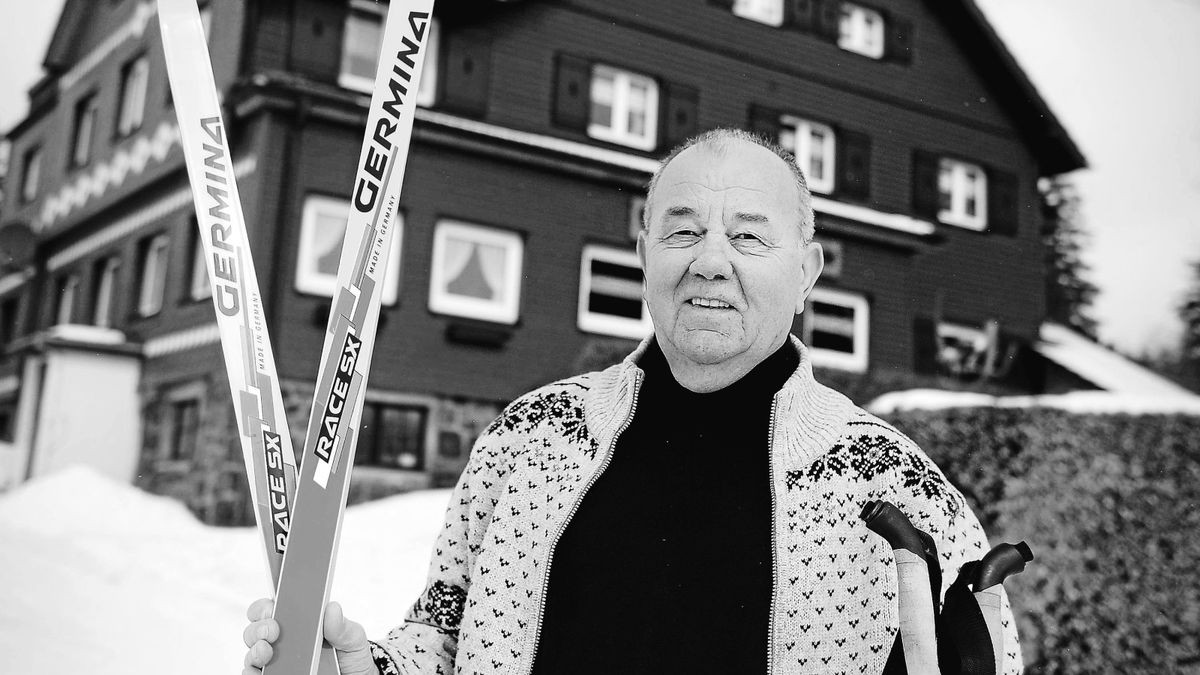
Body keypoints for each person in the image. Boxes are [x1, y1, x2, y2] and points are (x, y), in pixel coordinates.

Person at [242, 129, 1021, 674]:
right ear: (644, 254)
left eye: (749, 237)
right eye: (682, 231)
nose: (710, 260)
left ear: (809, 269)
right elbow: (443, 637)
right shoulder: (531, 437)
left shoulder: (895, 490)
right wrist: (363, 669)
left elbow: (974, 656)